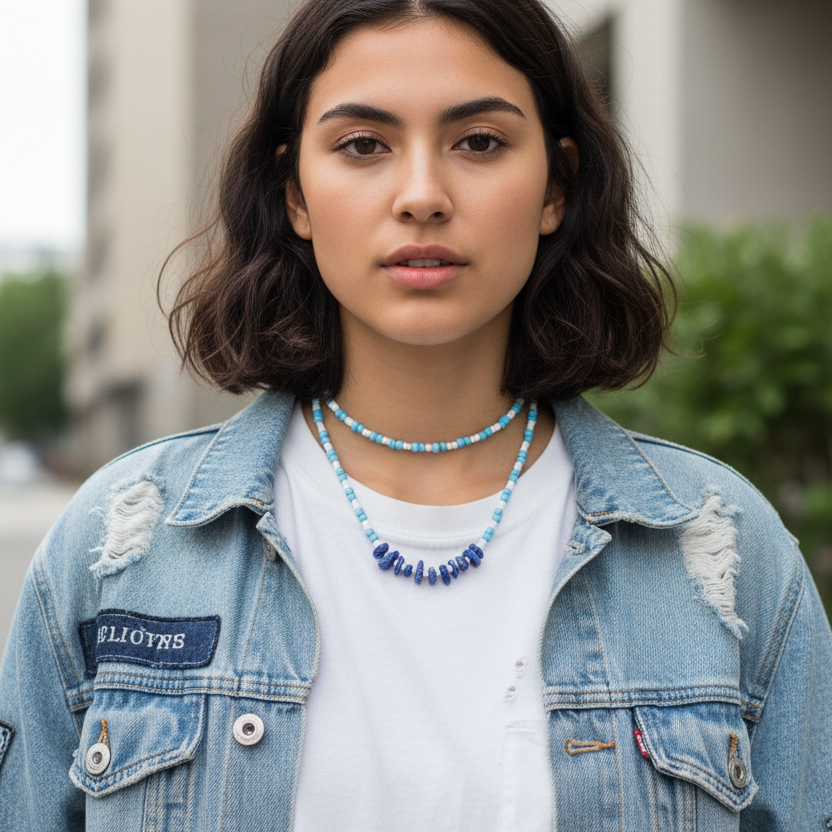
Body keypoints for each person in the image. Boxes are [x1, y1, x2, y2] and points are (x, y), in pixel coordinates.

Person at [2, 0, 831, 828]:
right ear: (294, 194)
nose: (422, 195)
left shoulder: (720, 554)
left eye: (480, 142)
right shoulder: (122, 547)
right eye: (363, 145)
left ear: (557, 187)